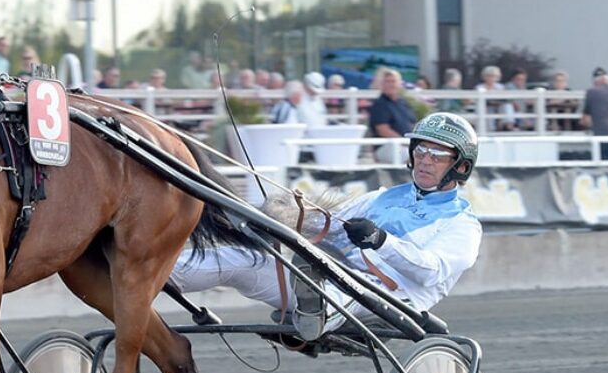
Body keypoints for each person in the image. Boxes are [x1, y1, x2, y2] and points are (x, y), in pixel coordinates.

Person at [171, 112, 482, 340]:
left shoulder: (462, 224)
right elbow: (331, 225)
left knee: (345, 288)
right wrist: (286, 216)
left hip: (389, 301)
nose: (425, 160)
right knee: (241, 259)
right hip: (334, 274)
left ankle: (316, 310)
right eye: (421, 150)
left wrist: (380, 240)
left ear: (461, 166)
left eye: (438, 154)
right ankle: (141, 276)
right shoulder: (383, 197)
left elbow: (432, 271)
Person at [366, 67, 415, 138]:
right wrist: (403, 142)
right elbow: (383, 130)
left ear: (400, 84)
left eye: (393, 81)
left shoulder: (403, 103)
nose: (390, 85)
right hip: (390, 146)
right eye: (387, 82)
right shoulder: (379, 105)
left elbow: (412, 123)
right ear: (382, 85)